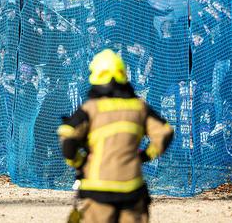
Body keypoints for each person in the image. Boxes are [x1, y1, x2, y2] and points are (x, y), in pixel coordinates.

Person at [58, 49, 174, 223]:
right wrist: (145, 155)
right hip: (132, 188)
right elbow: (165, 132)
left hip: (97, 188)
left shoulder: (90, 109)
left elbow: (67, 139)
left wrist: (79, 162)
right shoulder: (139, 107)